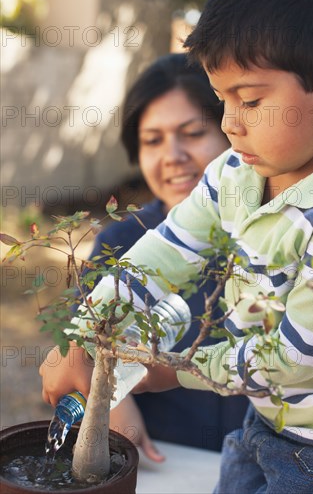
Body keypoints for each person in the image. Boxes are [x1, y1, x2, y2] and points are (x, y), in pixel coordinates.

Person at [40, 0, 313, 492]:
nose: (231, 125)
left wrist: (170, 369)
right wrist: (85, 336)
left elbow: (293, 359)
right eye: (221, 100)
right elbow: (165, 252)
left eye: (251, 99)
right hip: (263, 419)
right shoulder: (237, 172)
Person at [60, 53, 247, 461]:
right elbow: (79, 351)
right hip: (165, 465)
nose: (172, 155)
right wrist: (109, 405)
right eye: (153, 140)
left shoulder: (276, 235)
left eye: (193, 132)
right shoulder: (122, 242)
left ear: (234, 131)